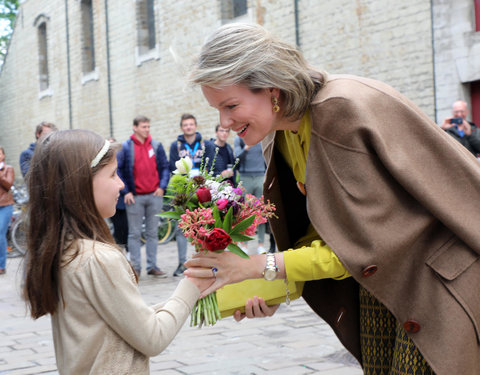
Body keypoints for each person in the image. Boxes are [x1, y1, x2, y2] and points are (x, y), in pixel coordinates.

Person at [184, 23, 480, 375]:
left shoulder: (339, 111)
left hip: (437, 280)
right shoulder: (279, 133)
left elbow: (359, 249)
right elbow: (326, 231)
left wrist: (254, 266)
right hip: (382, 284)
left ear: (272, 87)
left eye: (231, 105)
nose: (224, 121)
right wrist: (274, 285)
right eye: (217, 109)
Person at [22, 129, 213, 374]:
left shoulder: (65, 249)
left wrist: (174, 304)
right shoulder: (98, 259)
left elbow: (127, 320)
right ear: (79, 184)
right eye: (113, 174)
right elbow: (152, 336)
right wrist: (194, 283)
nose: (121, 184)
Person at [117, 116, 170, 277]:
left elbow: (165, 167)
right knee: (134, 233)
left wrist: (162, 186)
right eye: (143, 127)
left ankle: (152, 266)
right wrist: (126, 191)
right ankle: (136, 268)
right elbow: (118, 170)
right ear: (135, 128)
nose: (147, 130)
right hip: (135, 198)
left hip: (155, 195)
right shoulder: (126, 147)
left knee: (152, 233)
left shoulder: (156, 145)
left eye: (148, 127)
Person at [169, 114, 214, 277]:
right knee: (182, 226)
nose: (188, 127)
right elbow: (171, 167)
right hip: (184, 190)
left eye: (191, 124)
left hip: (202, 189)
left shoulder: (205, 144)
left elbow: (210, 166)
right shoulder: (176, 146)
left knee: (203, 224)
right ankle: (182, 263)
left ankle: (204, 260)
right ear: (182, 127)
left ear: (195, 126)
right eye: (185, 125)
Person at [234, 136, 268, 254]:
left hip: (260, 176)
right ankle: (244, 245)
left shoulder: (262, 137)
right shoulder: (239, 139)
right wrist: (247, 147)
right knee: (244, 212)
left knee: (261, 211)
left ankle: (261, 244)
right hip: (245, 176)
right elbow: (237, 157)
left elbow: (267, 155)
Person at [107, 137, 129, 254]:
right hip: (115, 200)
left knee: (125, 227)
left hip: (123, 199)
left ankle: (126, 250)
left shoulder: (122, 159)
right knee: (118, 226)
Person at [0, 147, 14, 275]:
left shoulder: (8, 169)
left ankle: (1, 265)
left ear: (3, 155)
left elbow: (8, 185)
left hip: (5, 205)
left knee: (0, 233)